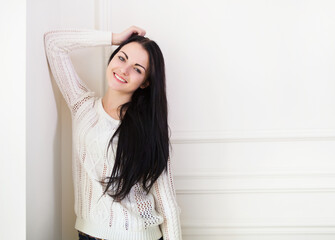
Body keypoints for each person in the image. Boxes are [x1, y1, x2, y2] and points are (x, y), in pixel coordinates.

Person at [44, 26, 182, 240]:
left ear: (145, 82)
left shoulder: (149, 129)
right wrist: (114, 38)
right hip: (88, 233)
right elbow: (54, 44)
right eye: (121, 58)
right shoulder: (82, 106)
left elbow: (166, 201)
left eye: (137, 69)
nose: (124, 70)